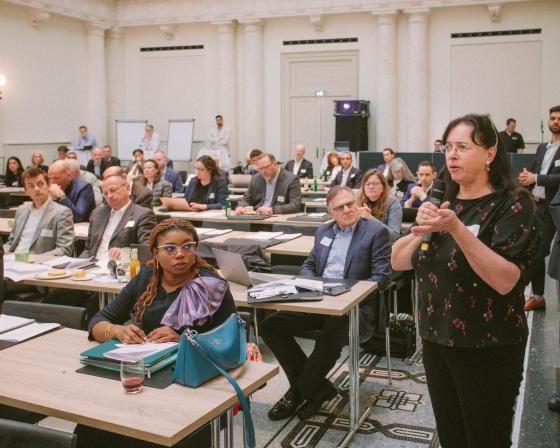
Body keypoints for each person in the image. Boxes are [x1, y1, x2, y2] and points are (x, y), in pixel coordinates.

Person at [391, 113, 537, 448]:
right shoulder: (444, 197)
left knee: (485, 438)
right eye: (448, 147)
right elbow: (397, 261)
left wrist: (456, 229)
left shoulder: (513, 204)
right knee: (452, 436)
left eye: (462, 147)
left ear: (490, 153)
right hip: (436, 340)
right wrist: (421, 229)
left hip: (487, 346)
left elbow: (505, 280)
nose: (452, 155)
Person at [78, 218, 236, 448]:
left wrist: (184, 339)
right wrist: (118, 331)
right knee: (89, 428)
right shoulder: (146, 278)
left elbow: (232, 340)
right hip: (147, 373)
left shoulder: (210, 285)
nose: (180, 254)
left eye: (187, 246)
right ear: (155, 252)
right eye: (170, 249)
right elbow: (97, 322)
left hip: (195, 381)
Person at [262, 186, 391, 421]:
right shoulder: (324, 231)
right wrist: (311, 285)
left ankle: (299, 392)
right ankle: (318, 388)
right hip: (320, 301)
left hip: (355, 308)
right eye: (340, 207)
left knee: (330, 334)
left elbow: (381, 278)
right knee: (271, 325)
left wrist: (346, 294)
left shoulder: (375, 232)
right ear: (330, 213)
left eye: (350, 204)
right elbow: (309, 265)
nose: (348, 210)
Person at [519, 105, 560, 311]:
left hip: (556, 208)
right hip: (538, 205)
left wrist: (535, 178)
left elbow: (557, 178)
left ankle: (519, 288)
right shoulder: (542, 147)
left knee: (541, 252)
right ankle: (537, 297)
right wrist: (526, 178)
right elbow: (534, 170)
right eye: (553, 118)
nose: (556, 122)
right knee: (536, 250)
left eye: (559, 118)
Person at [80, 173, 156, 262]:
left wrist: (125, 253)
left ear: (127, 188)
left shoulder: (143, 214)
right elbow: (88, 249)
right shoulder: (97, 214)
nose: (109, 196)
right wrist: (78, 265)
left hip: (120, 266)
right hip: (92, 265)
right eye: (105, 193)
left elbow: (147, 249)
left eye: (113, 190)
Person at [4, 167, 74, 257]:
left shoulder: (62, 213)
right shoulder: (21, 210)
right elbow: (11, 241)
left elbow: (64, 249)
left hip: (38, 262)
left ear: (48, 185)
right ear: (26, 191)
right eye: (31, 186)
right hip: (13, 259)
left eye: (40, 184)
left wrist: (34, 259)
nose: (36, 189)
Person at [235, 153, 301, 215]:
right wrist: (241, 207)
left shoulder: (291, 179)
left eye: (266, 167)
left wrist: (272, 210)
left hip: (277, 217)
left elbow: (295, 205)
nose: (263, 171)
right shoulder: (256, 178)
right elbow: (246, 200)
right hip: (257, 216)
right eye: (260, 169)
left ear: (275, 163)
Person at [357, 168, 402, 242]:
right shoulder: (357, 201)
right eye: (368, 184)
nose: (371, 187)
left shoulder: (393, 203)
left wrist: (370, 218)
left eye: (375, 183)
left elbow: (394, 236)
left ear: (383, 186)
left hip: (383, 244)